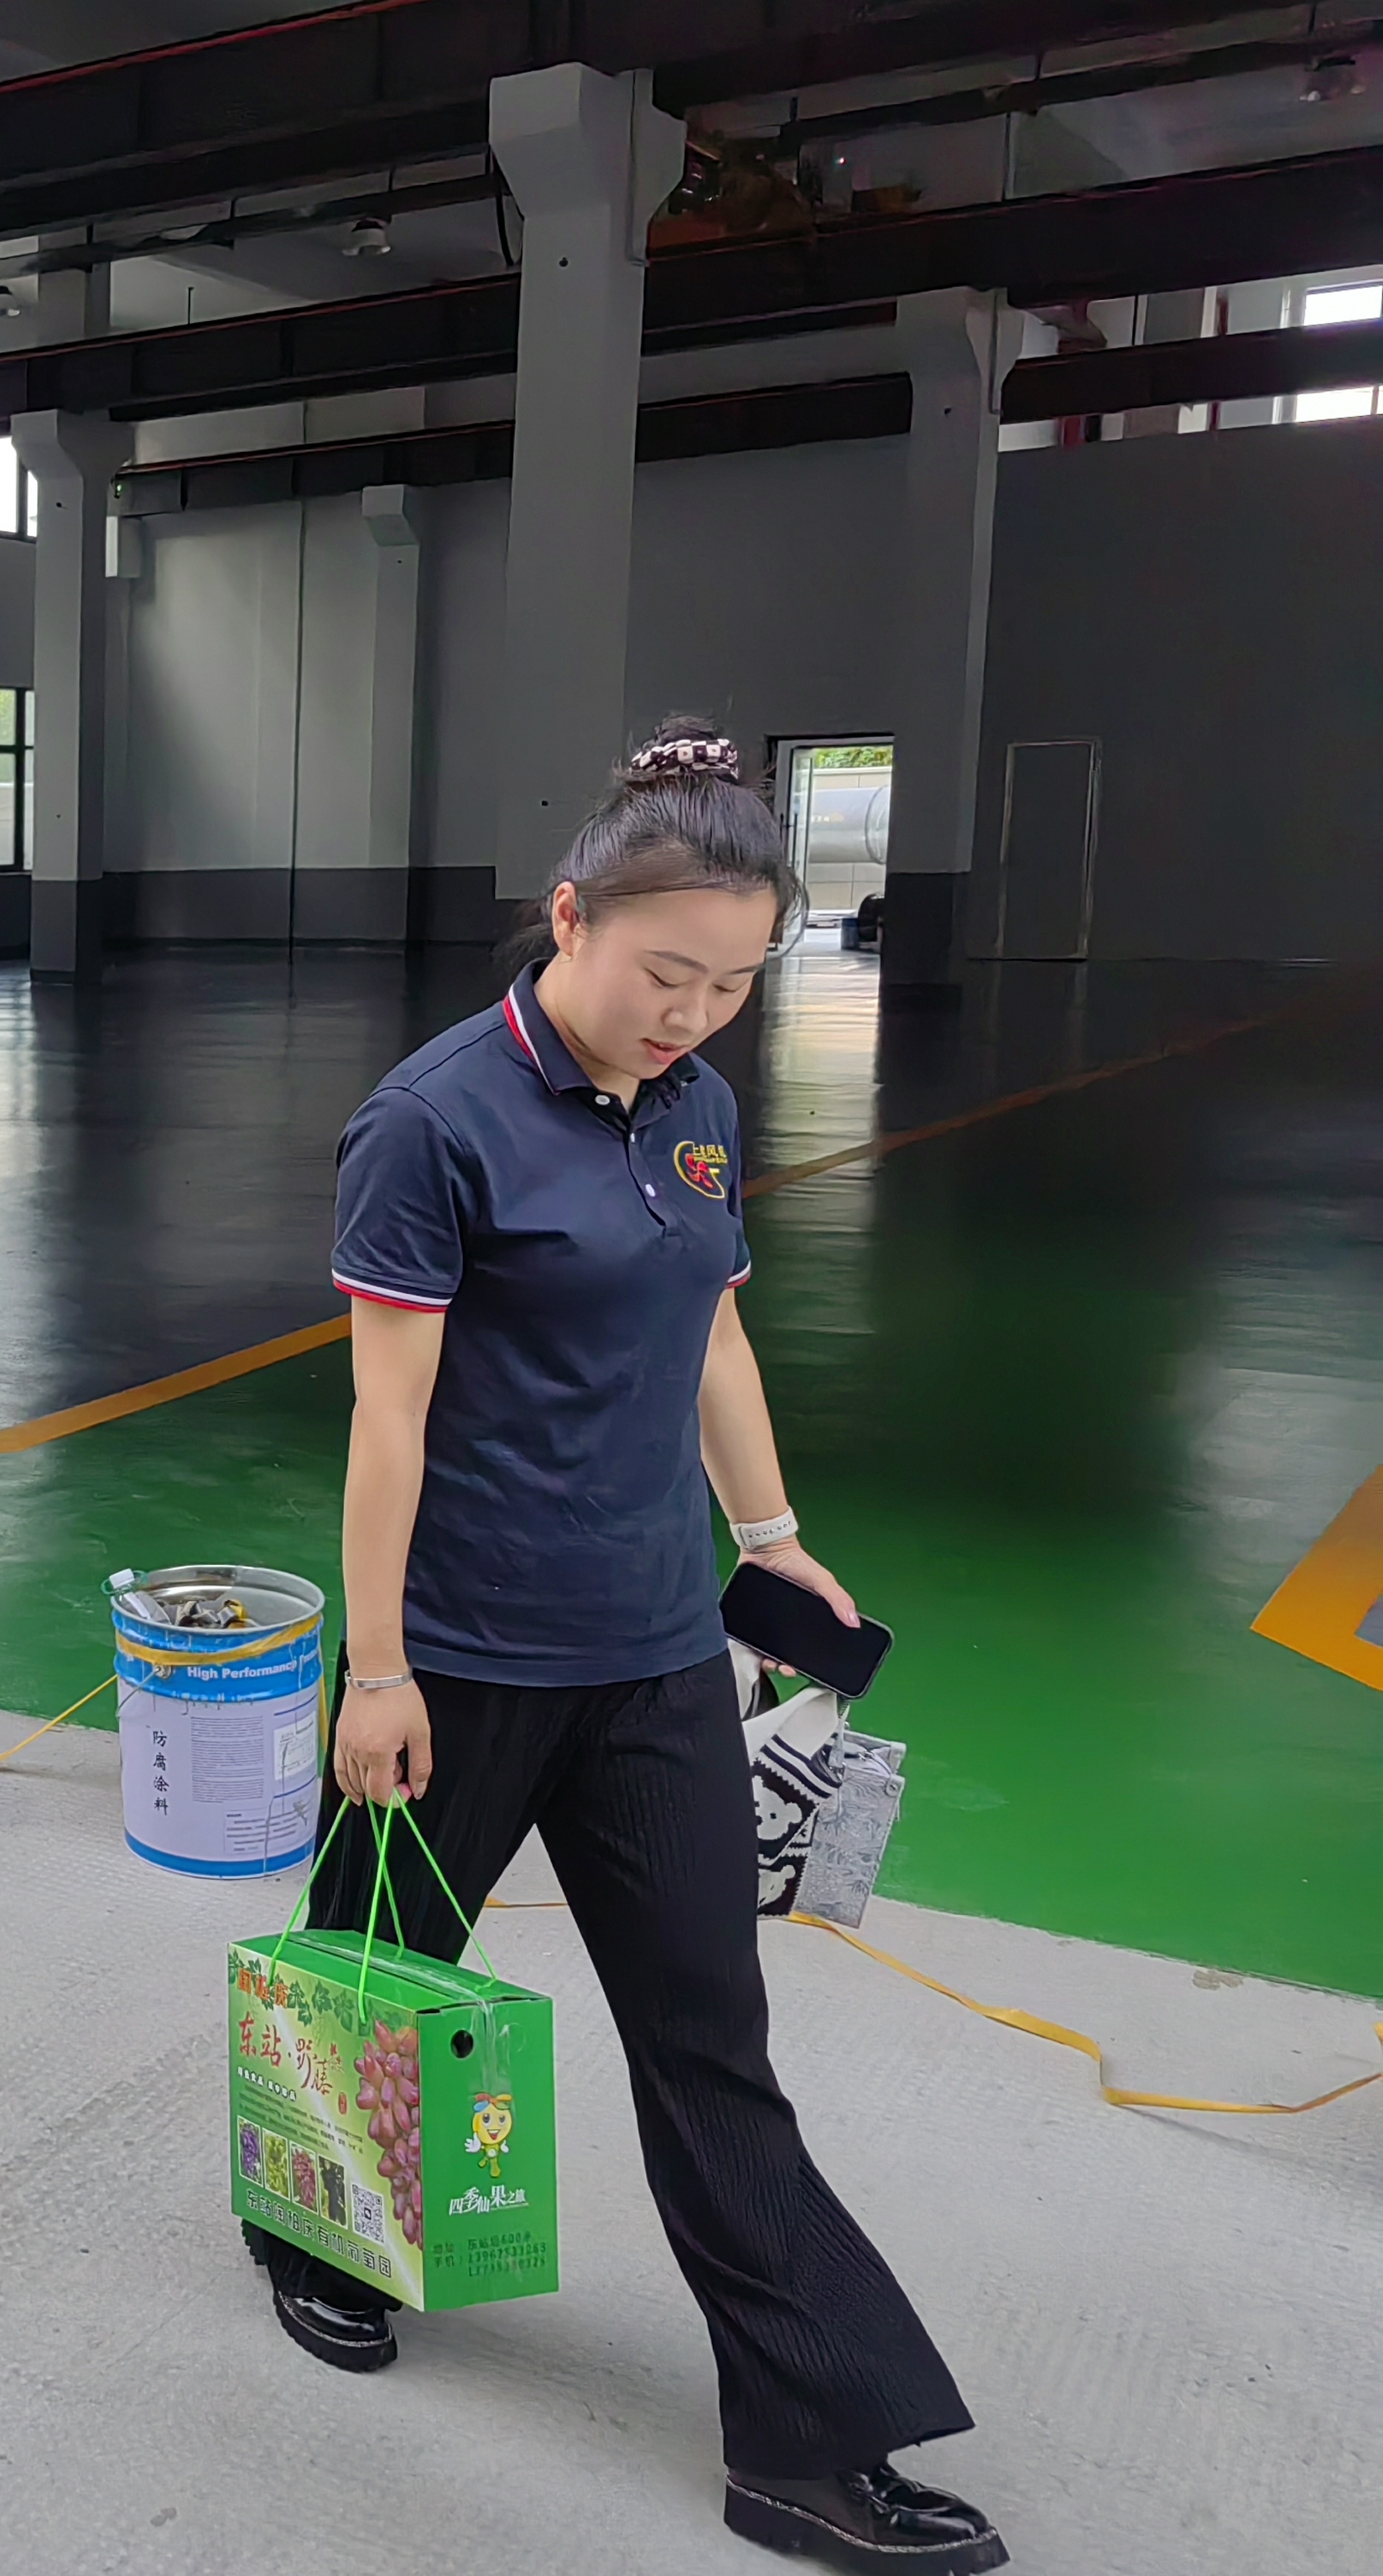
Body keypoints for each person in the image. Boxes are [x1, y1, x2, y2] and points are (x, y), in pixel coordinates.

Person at [268, 720, 1006, 2576]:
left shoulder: (698, 1108)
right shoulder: (430, 1123)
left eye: (733, 984)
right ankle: (313, 2229)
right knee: (376, 1963)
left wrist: (768, 1537)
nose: (691, 1015)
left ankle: (805, 2445)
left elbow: (715, 1337)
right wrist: (376, 1671)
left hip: (656, 1652)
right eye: (665, 972)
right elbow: (385, 1422)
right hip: (457, 1656)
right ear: (568, 917)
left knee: (708, 2040)